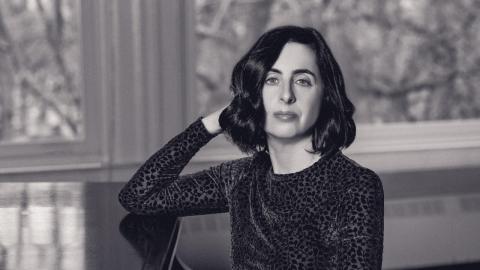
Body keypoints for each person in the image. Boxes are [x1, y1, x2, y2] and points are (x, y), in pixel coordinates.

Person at [119, 25, 384, 269]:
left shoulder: (355, 186)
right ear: (253, 95)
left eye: (302, 80)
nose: (286, 95)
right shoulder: (240, 178)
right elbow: (140, 196)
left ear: (325, 96)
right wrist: (213, 123)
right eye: (271, 80)